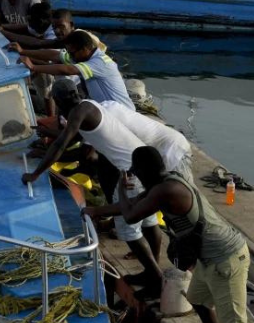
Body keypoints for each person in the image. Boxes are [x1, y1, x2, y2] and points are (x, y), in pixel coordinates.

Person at [23, 88, 166, 293]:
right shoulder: (90, 106)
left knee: (129, 230)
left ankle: (155, 278)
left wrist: (35, 174)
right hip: (144, 168)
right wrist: (45, 147)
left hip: (130, 173)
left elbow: (62, 144)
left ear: (58, 101)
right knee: (149, 221)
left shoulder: (77, 113)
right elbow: (71, 140)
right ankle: (154, 269)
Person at [87, 146, 250, 323]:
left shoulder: (167, 190)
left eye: (136, 172)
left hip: (226, 258)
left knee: (234, 320)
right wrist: (95, 210)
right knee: (198, 300)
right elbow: (133, 203)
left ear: (144, 170)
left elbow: (130, 216)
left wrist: (121, 188)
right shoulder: (163, 183)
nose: (135, 177)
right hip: (208, 259)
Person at [15, 30, 133, 109]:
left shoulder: (100, 62)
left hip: (122, 112)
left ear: (85, 49)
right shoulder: (81, 56)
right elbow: (54, 55)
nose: (69, 57)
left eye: (72, 53)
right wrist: (23, 51)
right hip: (106, 109)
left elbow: (68, 70)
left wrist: (34, 67)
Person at [105, 103, 193, 182]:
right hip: (169, 144)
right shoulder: (109, 105)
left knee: (181, 191)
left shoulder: (105, 119)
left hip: (173, 150)